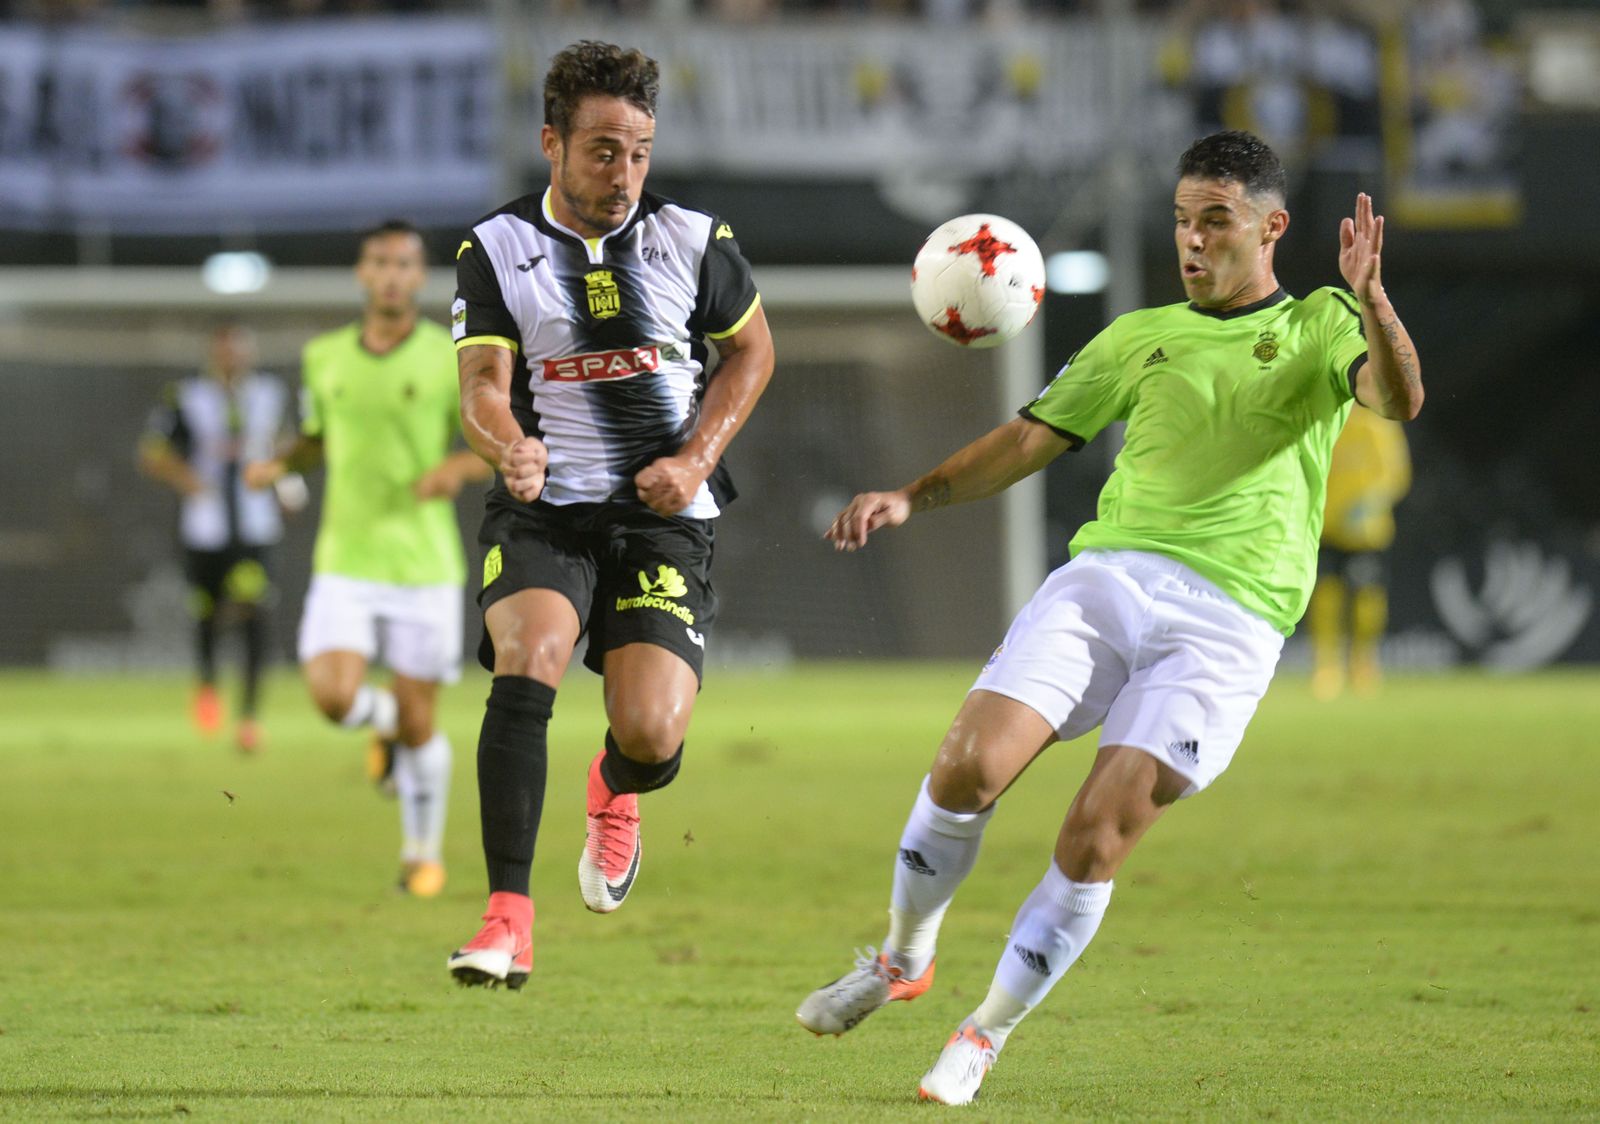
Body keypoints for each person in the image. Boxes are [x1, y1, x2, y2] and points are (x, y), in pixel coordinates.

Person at [796, 131, 1423, 1105]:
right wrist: (913, 496)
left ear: (1270, 227)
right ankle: (899, 957)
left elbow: (1398, 394)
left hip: (1231, 619)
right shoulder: (1137, 335)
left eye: (1214, 219)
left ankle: (983, 1030)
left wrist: (1374, 297)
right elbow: (1024, 439)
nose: (1192, 240)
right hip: (1108, 578)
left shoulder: (1322, 323)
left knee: (1093, 834)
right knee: (965, 764)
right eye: (1181, 219)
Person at [444, 40, 775, 989]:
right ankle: (507, 919)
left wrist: (697, 457)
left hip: (664, 517)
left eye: (637, 152)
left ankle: (613, 789)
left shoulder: (693, 240)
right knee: (530, 658)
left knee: (651, 731)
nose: (623, 173)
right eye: (600, 150)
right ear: (551, 142)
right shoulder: (496, 248)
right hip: (546, 510)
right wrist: (507, 444)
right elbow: (480, 383)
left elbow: (751, 355)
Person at [245, 220, 491, 898]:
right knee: (332, 697)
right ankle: (380, 728)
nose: (390, 274)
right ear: (361, 272)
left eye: (404, 264)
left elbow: (490, 441)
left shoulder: (449, 354)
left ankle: (422, 854)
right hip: (345, 558)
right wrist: (279, 463)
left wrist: (453, 470)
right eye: (379, 262)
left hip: (423, 564)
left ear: (419, 278)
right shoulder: (325, 357)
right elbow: (318, 439)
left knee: (423, 727)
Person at [140, 322, 292, 753]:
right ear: (213, 354)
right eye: (225, 350)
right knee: (206, 612)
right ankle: (207, 683)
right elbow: (152, 451)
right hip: (205, 526)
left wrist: (284, 482)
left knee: (254, 609)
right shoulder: (186, 396)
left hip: (255, 525)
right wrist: (188, 480)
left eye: (240, 350)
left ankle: (248, 717)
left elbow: (287, 446)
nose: (233, 358)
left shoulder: (269, 395)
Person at [1309, 405, 1412, 699]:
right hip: (1327, 526)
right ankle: (1326, 665)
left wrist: (1368, 505)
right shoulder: (1325, 420)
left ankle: (1364, 662)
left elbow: (1396, 475)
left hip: (1366, 533)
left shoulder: (1379, 424)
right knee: (1325, 595)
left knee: (1367, 597)